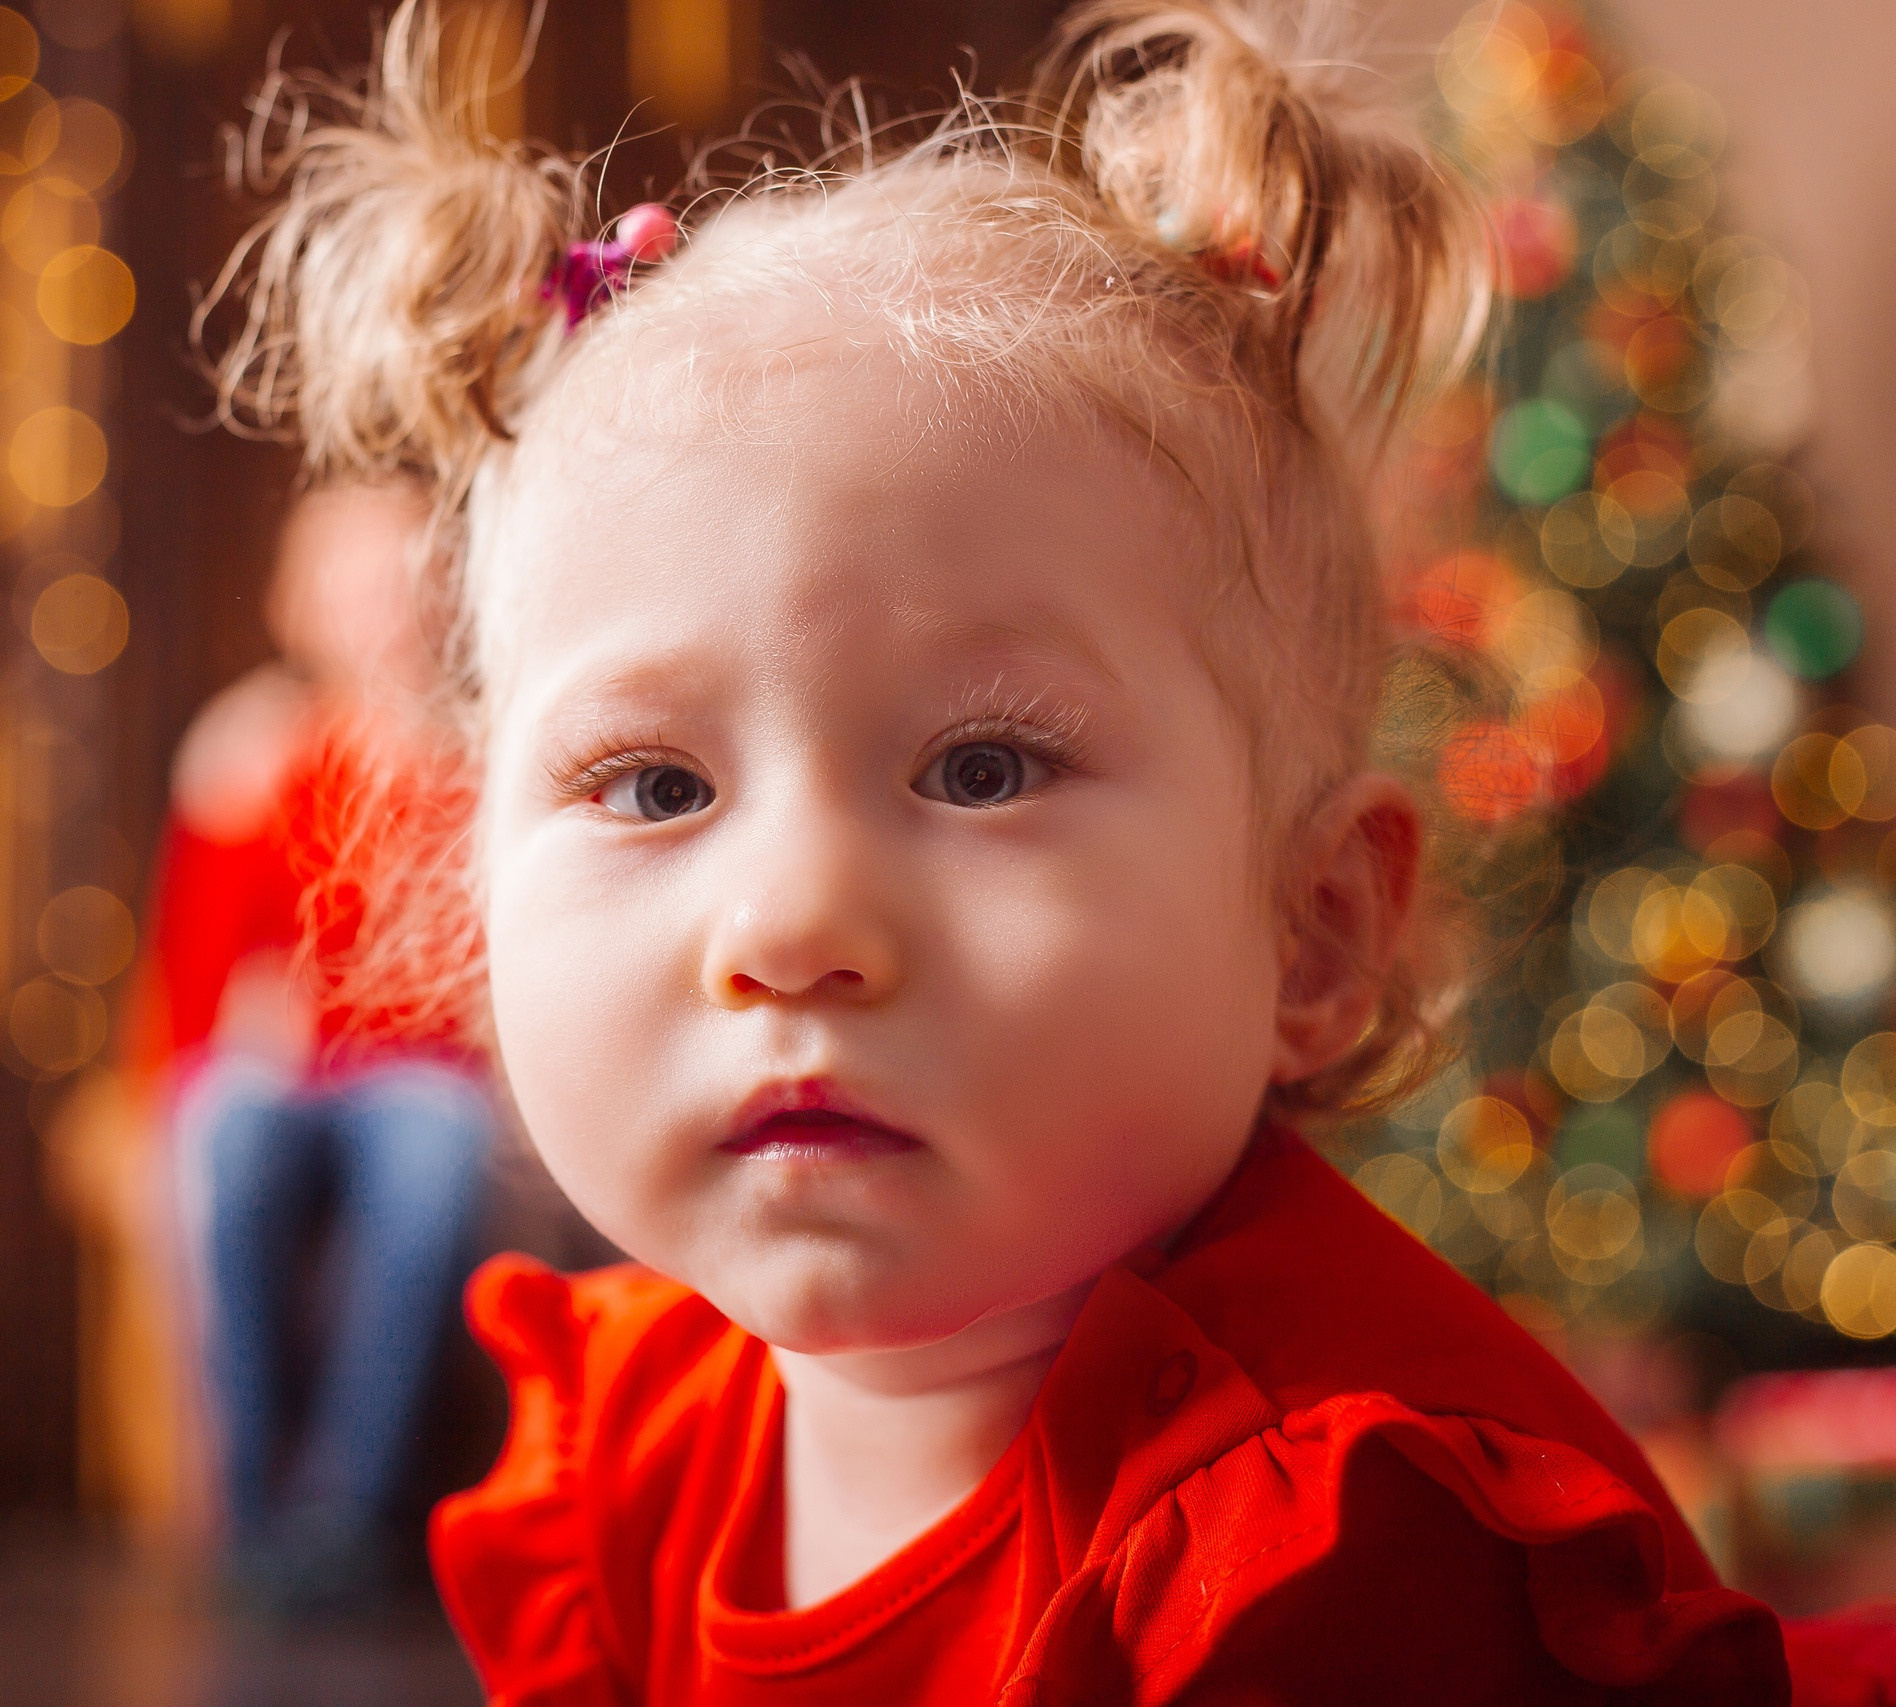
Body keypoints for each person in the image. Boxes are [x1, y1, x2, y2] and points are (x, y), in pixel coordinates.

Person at [196, 0, 1834, 1698]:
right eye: (656, 785)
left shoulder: (1329, 1539)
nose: (791, 921)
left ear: (1317, 927)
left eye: (982, 766)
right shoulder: (635, 1443)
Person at [144, 484, 494, 1612]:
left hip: (419, 1084)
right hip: (275, 1086)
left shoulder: (481, 765)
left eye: (397, 576)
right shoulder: (246, 749)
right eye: (349, 577)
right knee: (226, 1137)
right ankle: (248, 1511)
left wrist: (327, 1021)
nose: (377, 604)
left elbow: (468, 997)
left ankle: (343, 1512)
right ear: (304, 600)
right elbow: (198, 993)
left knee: (436, 1151)